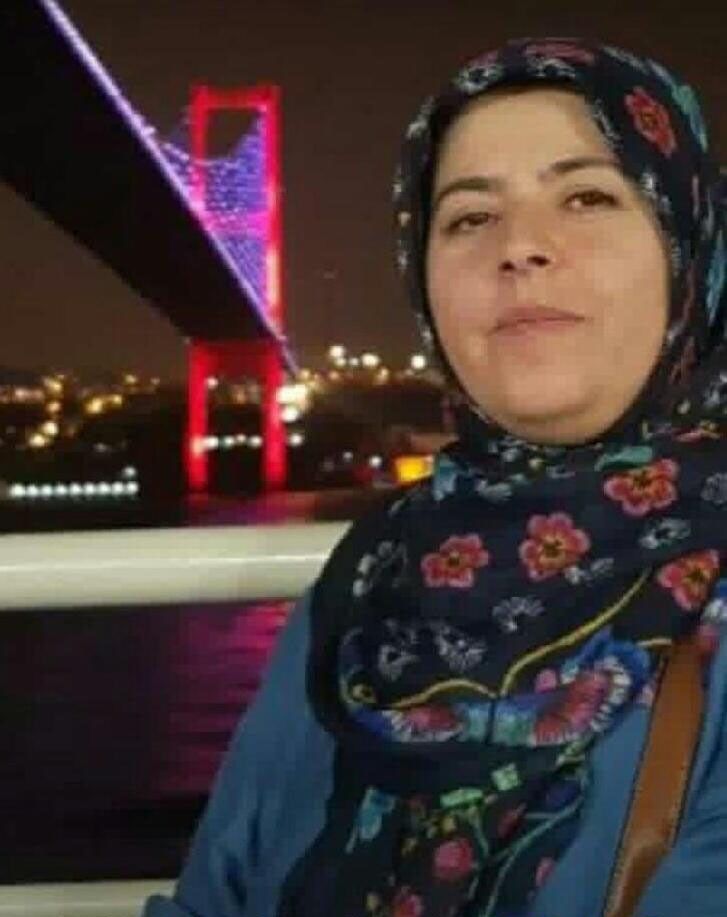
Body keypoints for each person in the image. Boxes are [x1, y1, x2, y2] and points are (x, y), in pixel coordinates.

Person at [144, 38, 727, 917]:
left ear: (690, 246)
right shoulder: (371, 579)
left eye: (587, 196)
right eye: (467, 217)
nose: (519, 246)